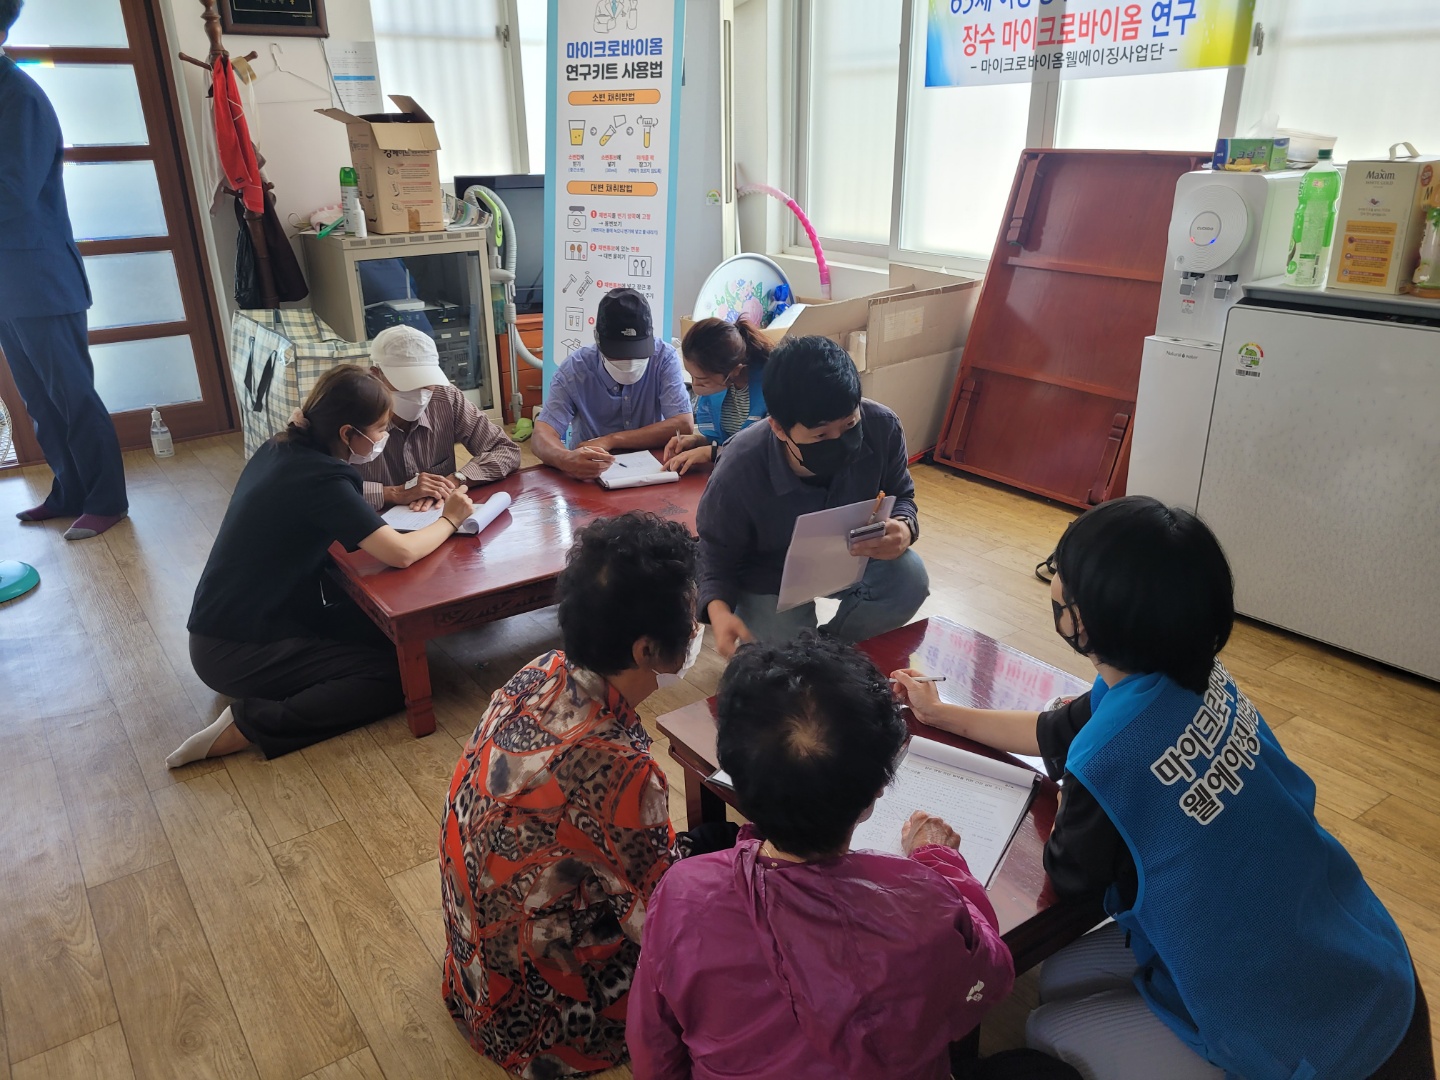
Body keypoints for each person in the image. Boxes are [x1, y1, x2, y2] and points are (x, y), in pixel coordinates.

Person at [892, 496, 1433, 1080]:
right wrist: (941, 713)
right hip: (1355, 950)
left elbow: (1070, 875)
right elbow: (1059, 729)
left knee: (1046, 1026)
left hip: (1323, 1047)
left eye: (1061, 572)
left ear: (1086, 621)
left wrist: (1064, 799)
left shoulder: (1109, 751)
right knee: (1063, 975)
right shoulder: (1185, 673)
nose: (1053, 580)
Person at [627, 634, 1021, 1080]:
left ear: (733, 771)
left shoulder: (682, 893)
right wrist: (940, 859)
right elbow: (991, 976)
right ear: (876, 791)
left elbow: (653, 1047)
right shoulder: (926, 903)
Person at [440, 512, 709, 1077]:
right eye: (690, 617)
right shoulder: (620, 769)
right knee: (721, 932)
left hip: (475, 970)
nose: (695, 626)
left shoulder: (542, 670)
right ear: (646, 649)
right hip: (544, 1017)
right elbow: (660, 922)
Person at [168, 365, 476, 766]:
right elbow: (400, 553)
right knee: (394, 678)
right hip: (236, 650)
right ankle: (247, 725)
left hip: (239, 625)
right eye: (380, 429)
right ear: (348, 433)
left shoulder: (283, 448)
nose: (384, 436)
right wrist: (450, 519)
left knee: (390, 636)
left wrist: (399, 497)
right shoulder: (320, 478)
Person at [696, 334, 928, 657]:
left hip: (852, 556)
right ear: (779, 428)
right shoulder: (740, 468)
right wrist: (720, 613)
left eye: (850, 425)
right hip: (770, 577)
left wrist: (904, 527)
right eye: (821, 435)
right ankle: (806, 658)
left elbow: (902, 493)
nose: (840, 440)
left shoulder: (882, 426)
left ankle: (834, 654)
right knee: (787, 657)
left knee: (909, 578)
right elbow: (714, 553)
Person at [1, 0, 128, 541]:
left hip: (40, 278)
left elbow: (12, 194)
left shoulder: (19, 98)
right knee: (38, 400)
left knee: (72, 397)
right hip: (8, 282)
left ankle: (107, 500)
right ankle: (68, 490)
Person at [532, 288, 693, 480]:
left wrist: (611, 440)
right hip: (591, 476)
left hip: (654, 471)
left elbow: (683, 425)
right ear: (598, 340)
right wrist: (566, 459)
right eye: (619, 353)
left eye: (637, 352)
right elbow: (541, 435)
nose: (629, 362)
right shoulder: (575, 370)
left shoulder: (663, 358)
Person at [356, 324, 520, 510]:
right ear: (376, 375)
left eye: (427, 382)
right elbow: (328, 488)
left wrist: (454, 481)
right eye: (406, 383)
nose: (419, 392)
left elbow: (506, 450)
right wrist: (395, 493)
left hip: (438, 512)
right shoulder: (351, 413)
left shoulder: (445, 397)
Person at [661, 316, 769, 475]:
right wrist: (698, 441)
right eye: (692, 377)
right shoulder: (725, 385)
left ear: (736, 370)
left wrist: (713, 453)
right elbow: (727, 438)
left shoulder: (770, 388)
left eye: (703, 381)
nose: (695, 386)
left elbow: (768, 453)